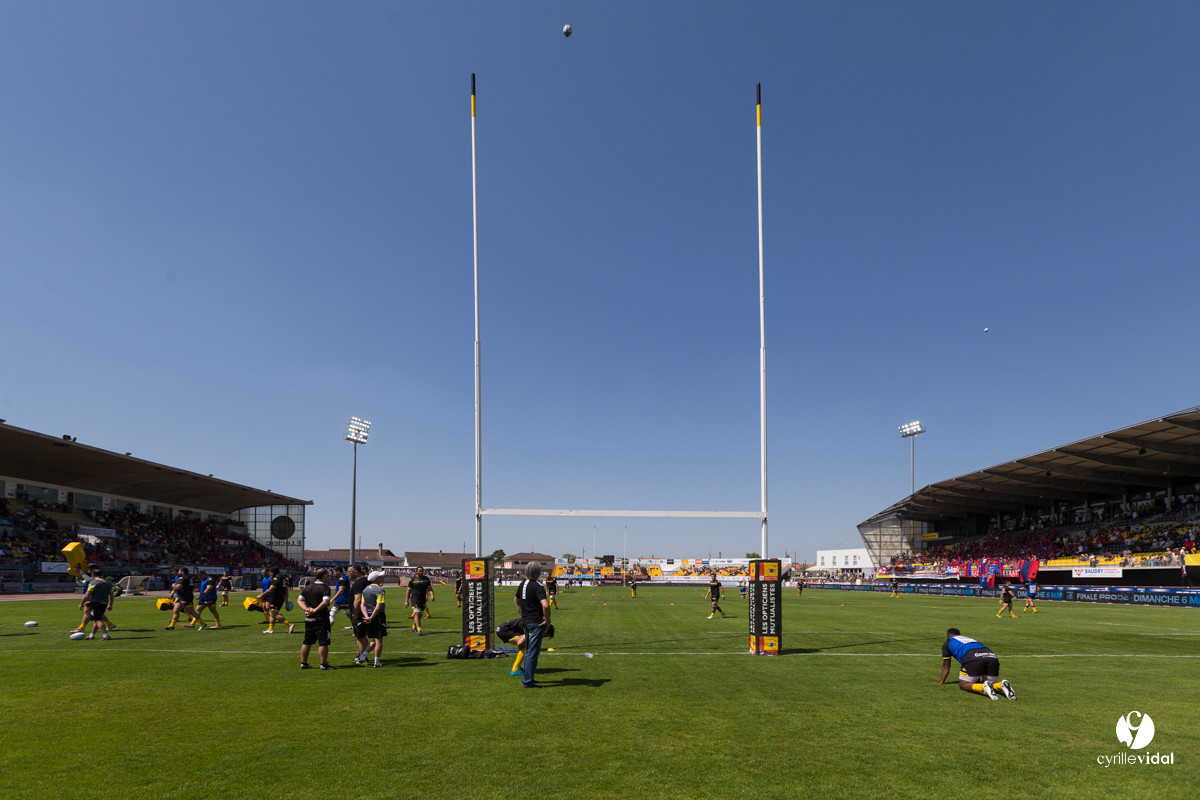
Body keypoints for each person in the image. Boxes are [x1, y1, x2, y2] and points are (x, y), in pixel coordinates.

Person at [938, 628, 1016, 701]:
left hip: (973, 656)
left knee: (964, 685)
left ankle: (983, 687)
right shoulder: (969, 639)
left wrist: (941, 681)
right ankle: (1001, 685)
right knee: (992, 684)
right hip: (991, 656)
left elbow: (946, 665)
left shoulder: (948, 642)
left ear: (948, 636)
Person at [514, 561, 550, 688]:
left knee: (529, 651)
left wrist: (523, 614)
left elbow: (516, 600)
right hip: (536, 623)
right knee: (532, 653)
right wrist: (548, 621)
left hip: (526, 621)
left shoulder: (523, 584)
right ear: (537, 572)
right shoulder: (538, 586)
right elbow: (545, 605)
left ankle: (528, 678)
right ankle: (528, 681)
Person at [298, 568, 333, 670]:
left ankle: (303, 663)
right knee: (323, 642)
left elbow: (299, 600)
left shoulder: (308, 587)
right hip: (321, 618)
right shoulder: (325, 588)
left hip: (309, 619)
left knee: (307, 641)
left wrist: (306, 609)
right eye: (328, 575)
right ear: (324, 576)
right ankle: (323, 664)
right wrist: (315, 610)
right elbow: (325, 602)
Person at [78, 567, 114, 640]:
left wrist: (81, 603)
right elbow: (112, 595)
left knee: (98, 620)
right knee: (97, 619)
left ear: (92, 575)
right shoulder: (108, 584)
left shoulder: (93, 583)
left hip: (95, 603)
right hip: (104, 603)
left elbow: (87, 594)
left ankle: (105, 635)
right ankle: (92, 635)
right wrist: (110, 605)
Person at [361, 571, 388, 667]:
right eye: (380, 576)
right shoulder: (380, 590)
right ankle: (376, 662)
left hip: (367, 616)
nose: (382, 577)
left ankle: (362, 657)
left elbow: (362, 605)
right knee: (379, 639)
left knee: (375, 638)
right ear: (376, 579)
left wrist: (367, 616)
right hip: (377, 616)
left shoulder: (365, 590)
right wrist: (372, 617)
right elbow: (378, 606)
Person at [258, 567, 294, 634]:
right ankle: (270, 629)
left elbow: (271, 589)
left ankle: (289, 624)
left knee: (273, 614)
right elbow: (286, 589)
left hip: (275, 598)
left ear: (273, 572)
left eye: (270, 572)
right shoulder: (283, 578)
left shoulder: (276, 578)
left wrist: (262, 595)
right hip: (280, 598)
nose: (270, 573)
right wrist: (286, 599)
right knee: (272, 613)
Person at [348, 564, 371, 665]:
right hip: (365, 612)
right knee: (359, 635)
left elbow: (357, 599)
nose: (348, 574)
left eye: (349, 572)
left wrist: (355, 615)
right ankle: (361, 655)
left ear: (355, 572)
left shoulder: (359, 583)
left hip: (360, 613)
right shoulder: (364, 581)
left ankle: (363, 658)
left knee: (360, 636)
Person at [405, 566, 434, 635]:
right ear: (416, 571)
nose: (421, 572)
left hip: (422, 599)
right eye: (419, 571)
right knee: (417, 613)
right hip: (415, 599)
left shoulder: (426, 579)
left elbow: (429, 588)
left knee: (419, 615)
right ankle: (419, 630)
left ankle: (413, 626)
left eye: (422, 571)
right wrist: (406, 601)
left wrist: (432, 595)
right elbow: (408, 590)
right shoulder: (412, 580)